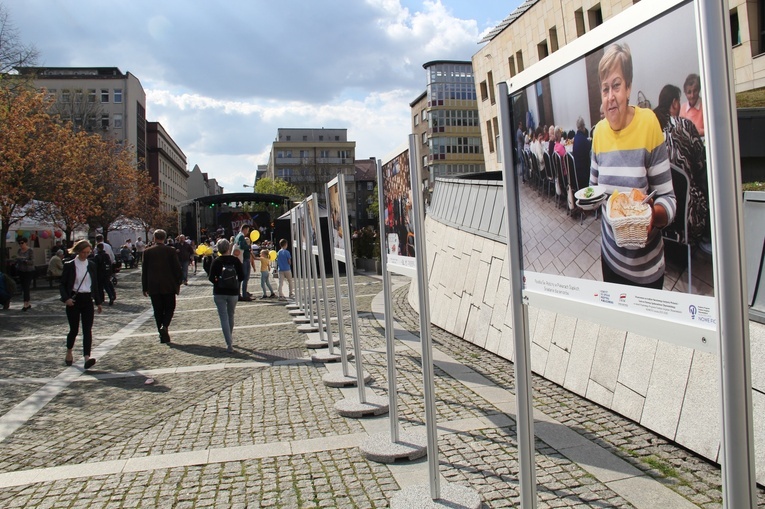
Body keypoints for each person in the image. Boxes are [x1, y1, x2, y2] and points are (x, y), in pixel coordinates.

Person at [590, 43, 676, 289]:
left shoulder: (648, 123)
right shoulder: (598, 134)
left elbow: (669, 200)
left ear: (628, 87)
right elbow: (593, 191)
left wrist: (653, 217)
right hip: (610, 261)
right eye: (605, 89)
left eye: (616, 86)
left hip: (646, 271)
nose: (610, 97)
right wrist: (587, 203)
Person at [653, 84, 710, 246]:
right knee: (704, 179)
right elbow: (700, 164)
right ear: (675, 103)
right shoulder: (686, 126)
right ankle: (708, 237)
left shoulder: (652, 129)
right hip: (687, 215)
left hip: (659, 212)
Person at [60, 239, 103, 368]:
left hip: (87, 299)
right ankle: (69, 351)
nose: (85, 255)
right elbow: (62, 284)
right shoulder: (70, 265)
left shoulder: (91, 265)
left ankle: (87, 357)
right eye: (83, 252)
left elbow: (95, 283)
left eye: (88, 252)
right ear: (78, 251)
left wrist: (98, 301)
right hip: (74, 300)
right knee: (74, 329)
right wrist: (66, 298)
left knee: (87, 330)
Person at [142, 229, 183, 344]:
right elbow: (176, 267)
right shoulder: (170, 251)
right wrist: (179, 279)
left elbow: (144, 271)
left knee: (157, 310)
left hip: (153, 286)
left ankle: (162, 333)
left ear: (154, 238)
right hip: (168, 285)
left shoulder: (147, 252)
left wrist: (145, 287)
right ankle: (164, 326)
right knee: (170, 307)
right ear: (164, 238)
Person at [208, 238, 244, 353]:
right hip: (233, 292)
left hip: (219, 292)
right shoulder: (235, 260)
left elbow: (210, 277)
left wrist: (218, 283)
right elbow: (242, 276)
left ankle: (229, 343)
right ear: (229, 247)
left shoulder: (217, 261)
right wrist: (235, 283)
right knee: (231, 315)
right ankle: (230, 337)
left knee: (223, 317)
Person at [233, 224, 253, 301]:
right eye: (247, 230)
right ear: (244, 229)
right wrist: (248, 246)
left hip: (241, 258)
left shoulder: (237, 236)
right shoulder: (241, 236)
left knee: (241, 277)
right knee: (245, 277)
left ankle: (239, 294)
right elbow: (242, 246)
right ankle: (244, 294)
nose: (247, 232)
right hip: (244, 258)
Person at [15, 237, 35, 311]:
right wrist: (18, 259)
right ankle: (28, 303)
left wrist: (25, 261)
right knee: (24, 287)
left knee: (26, 286)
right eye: (19, 243)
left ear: (26, 242)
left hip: (29, 271)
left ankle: (25, 303)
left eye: (22, 243)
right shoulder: (19, 250)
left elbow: (32, 261)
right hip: (21, 270)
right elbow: (17, 258)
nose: (21, 244)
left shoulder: (30, 250)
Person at [572, 117, 592, 191]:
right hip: (584, 174)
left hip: (576, 172)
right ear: (583, 126)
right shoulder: (585, 141)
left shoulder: (575, 139)